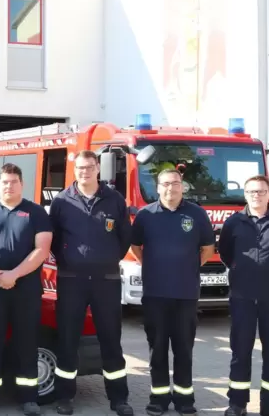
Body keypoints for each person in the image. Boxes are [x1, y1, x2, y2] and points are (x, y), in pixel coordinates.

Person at [48, 150, 133, 416]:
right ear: (74, 170)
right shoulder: (62, 201)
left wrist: (104, 260)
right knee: (68, 339)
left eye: (89, 167)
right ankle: (65, 397)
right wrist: (71, 262)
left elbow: (124, 238)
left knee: (111, 339)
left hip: (106, 281)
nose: (84, 172)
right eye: (79, 168)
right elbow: (53, 239)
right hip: (71, 280)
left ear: (98, 168)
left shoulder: (115, 199)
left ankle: (119, 399)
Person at [0, 163, 53, 416]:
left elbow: (42, 249)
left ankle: (28, 398)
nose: (9, 186)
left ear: (21, 184)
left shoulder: (36, 212)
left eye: (14, 181)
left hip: (26, 289)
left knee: (26, 342)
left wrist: (14, 274)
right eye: (5, 181)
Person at [130, 168, 215, 416]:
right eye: (165, 184)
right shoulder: (146, 215)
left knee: (183, 349)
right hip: (155, 293)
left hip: (186, 294)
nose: (170, 188)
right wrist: (154, 264)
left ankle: (184, 400)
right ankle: (158, 399)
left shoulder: (196, 214)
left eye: (175, 183)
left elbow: (208, 248)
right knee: (157, 349)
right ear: (158, 188)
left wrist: (189, 265)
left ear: (182, 186)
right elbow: (136, 246)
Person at [218, 175, 269, 416]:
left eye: (261, 191)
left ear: (268, 194)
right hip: (242, 297)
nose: (256, 195)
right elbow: (226, 253)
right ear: (245, 194)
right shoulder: (234, 222)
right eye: (251, 191)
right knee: (240, 351)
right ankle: (237, 404)